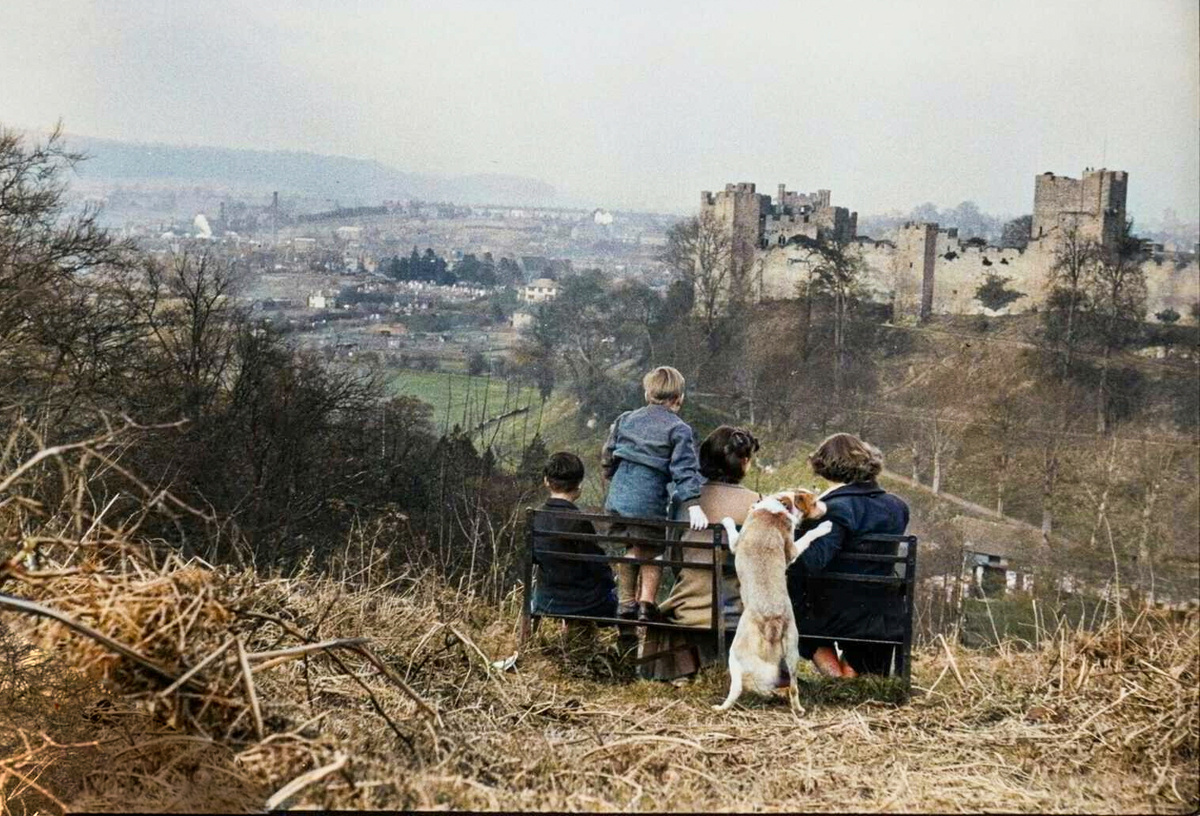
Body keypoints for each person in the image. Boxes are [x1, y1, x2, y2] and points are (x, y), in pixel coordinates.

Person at [641, 426, 761, 682]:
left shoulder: (685, 501)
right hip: (737, 608)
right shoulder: (756, 501)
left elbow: (674, 555)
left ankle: (684, 672)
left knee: (668, 612)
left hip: (689, 606)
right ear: (744, 461)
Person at [787, 433, 910, 677]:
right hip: (882, 612)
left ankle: (835, 673)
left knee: (793, 591)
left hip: (832, 613)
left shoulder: (833, 510)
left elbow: (812, 562)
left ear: (823, 467)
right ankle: (855, 671)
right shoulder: (898, 507)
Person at [600, 366, 708, 623]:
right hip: (649, 500)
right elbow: (685, 469)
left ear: (647, 393)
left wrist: (610, 474)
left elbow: (608, 453)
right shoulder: (679, 429)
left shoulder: (625, 419)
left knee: (631, 545)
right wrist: (693, 503)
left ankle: (626, 604)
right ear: (679, 398)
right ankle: (647, 605)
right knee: (654, 550)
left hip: (618, 496)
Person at [531, 452, 617, 621]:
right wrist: (610, 584)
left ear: (546, 482)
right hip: (583, 604)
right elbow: (597, 565)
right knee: (615, 603)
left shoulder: (535, 517)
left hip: (545, 601)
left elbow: (533, 558)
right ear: (579, 484)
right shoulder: (579, 522)